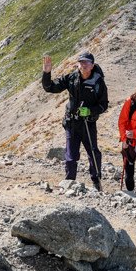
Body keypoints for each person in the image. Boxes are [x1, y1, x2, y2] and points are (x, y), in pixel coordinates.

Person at [41, 51, 109, 191]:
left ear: (92, 65)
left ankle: (97, 183)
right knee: (71, 155)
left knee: (93, 153)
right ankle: (69, 183)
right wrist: (46, 73)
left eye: (87, 62)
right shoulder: (71, 78)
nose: (83, 65)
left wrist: (90, 110)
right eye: (81, 62)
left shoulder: (98, 82)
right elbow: (50, 88)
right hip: (72, 123)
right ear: (77, 64)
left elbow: (104, 105)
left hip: (88, 124)